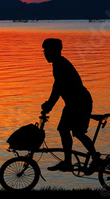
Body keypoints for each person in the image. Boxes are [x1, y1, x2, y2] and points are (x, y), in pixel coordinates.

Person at [40, 38, 100, 172]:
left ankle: (92, 160)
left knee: (71, 131)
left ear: (53, 51)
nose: (45, 54)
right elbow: (57, 86)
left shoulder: (60, 64)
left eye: (46, 51)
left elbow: (58, 88)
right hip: (74, 102)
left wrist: (49, 105)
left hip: (79, 102)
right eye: (44, 51)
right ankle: (72, 161)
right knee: (68, 130)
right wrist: (49, 104)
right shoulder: (58, 63)